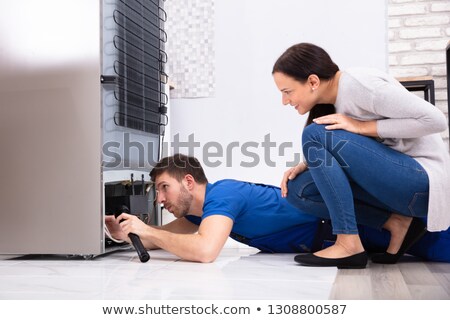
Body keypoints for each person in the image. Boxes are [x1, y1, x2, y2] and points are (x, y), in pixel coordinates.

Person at [272, 42, 450, 268]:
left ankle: (348, 244)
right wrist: (307, 164)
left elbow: (435, 120)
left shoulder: (361, 86)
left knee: (314, 134)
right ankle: (397, 223)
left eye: (287, 92)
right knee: (300, 190)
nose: (284, 101)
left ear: (313, 82)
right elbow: (361, 150)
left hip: (423, 183)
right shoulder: (335, 102)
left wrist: (361, 126)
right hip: (399, 186)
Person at [105, 154, 450, 264]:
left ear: (190, 182)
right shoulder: (199, 214)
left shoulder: (223, 195)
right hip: (330, 236)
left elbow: (206, 250)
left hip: (347, 226)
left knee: (438, 246)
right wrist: (125, 235)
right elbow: (162, 239)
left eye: (164, 187)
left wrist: (147, 229)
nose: (160, 198)